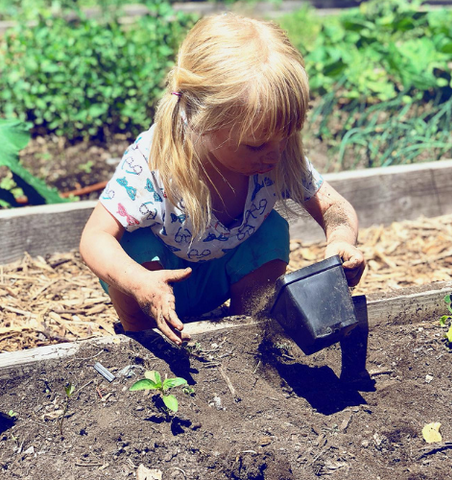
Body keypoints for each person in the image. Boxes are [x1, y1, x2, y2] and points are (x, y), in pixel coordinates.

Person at [79, 13, 365, 347]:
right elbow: (94, 238)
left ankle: (244, 328)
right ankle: (141, 337)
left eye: (286, 136)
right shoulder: (153, 163)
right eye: (256, 144)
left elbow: (334, 207)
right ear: (198, 119)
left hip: (221, 272)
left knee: (270, 231)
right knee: (134, 241)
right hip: (156, 282)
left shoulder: (277, 157)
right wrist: (139, 282)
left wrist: (342, 241)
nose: (274, 155)